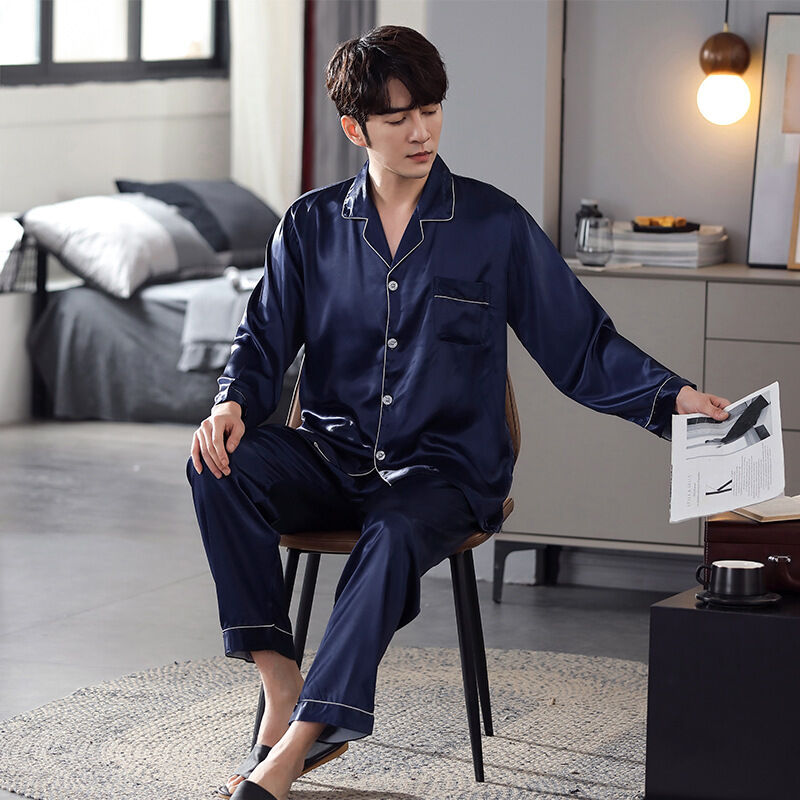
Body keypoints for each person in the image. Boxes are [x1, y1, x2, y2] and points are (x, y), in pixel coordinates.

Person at [186, 25, 730, 800]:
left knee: (392, 533)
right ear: (355, 129)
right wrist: (232, 402)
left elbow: (580, 344)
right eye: (398, 117)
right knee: (215, 463)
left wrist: (673, 398)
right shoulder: (309, 226)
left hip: (445, 473)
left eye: (431, 110)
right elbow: (261, 340)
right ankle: (281, 682)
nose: (421, 132)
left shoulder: (493, 225)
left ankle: (296, 747)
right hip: (333, 458)